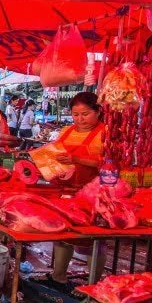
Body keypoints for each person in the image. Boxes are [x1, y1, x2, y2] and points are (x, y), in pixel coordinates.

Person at [48, 92, 107, 290]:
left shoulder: (106, 133)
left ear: (98, 111)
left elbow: (110, 166)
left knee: (93, 239)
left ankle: (93, 286)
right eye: (75, 114)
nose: (80, 119)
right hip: (65, 191)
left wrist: (77, 160)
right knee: (64, 235)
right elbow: (55, 156)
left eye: (85, 114)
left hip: (93, 194)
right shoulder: (66, 131)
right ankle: (58, 277)